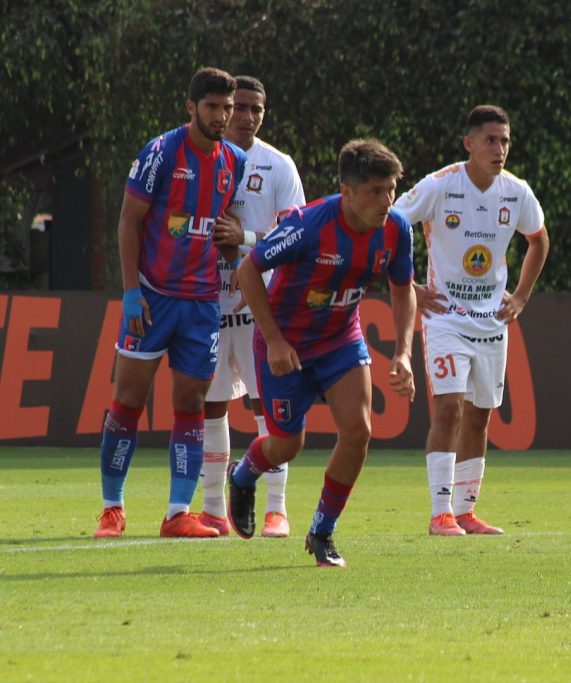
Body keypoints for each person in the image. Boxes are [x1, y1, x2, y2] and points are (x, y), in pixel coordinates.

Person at [227, 138, 416, 568]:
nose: (387, 201)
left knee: (359, 431)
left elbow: (403, 289)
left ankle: (322, 532)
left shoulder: (396, 229)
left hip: (340, 339)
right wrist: (275, 340)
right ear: (346, 191)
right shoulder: (308, 225)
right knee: (287, 445)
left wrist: (403, 353)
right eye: (375, 191)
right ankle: (243, 474)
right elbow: (249, 269)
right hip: (286, 344)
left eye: (391, 189)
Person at [93, 67, 246, 539]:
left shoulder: (235, 161)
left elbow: (223, 222)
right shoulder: (160, 153)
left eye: (227, 108)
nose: (221, 116)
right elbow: (128, 221)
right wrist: (131, 291)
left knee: (191, 402)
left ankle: (178, 513)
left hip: (201, 304)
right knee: (128, 400)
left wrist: (236, 243)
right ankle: (112, 509)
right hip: (152, 298)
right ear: (191, 107)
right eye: (212, 107)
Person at [395, 105, 549, 536]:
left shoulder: (516, 192)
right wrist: (410, 285)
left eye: (505, 141)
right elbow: (391, 225)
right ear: (469, 143)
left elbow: (538, 240)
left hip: (492, 320)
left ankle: (465, 511)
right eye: (490, 140)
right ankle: (439, 512)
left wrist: (521, 295)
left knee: (480, 415)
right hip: (444, 317)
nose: (499, 149)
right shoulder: (440, 185)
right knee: (448, 408)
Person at [198, 75, 306, 539]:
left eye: (255, 110)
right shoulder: (202, 159)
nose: (245, 117)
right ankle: (213, 509)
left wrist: (241, 237)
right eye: (238, 107)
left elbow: (295, 237)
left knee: (269, 405)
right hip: (207, 302)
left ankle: (276, 509)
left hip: (261, 307)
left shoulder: (278, 166)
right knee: (212, 404)